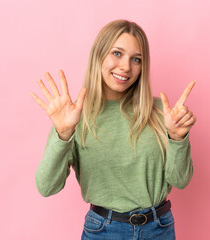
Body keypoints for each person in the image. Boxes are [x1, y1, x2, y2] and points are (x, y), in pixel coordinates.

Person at [31, 19, 196, 240]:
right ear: (99, 55)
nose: (126, 67)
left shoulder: (161, 112)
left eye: (136, 59)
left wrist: (178, 138)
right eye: (117, 53)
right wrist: (63, 134)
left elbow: (180, 180)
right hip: (103, 231)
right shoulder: (75, 114)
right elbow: (47, 186)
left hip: (159, 229)